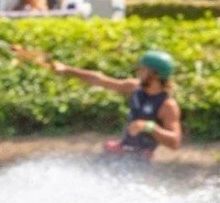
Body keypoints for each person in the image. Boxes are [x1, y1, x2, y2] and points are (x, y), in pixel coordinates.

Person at [16, 47, 183, 159]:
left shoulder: (167, 105)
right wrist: (67, 70)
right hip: (119, 151)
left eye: (143, 69)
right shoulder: (134, 87)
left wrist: (149, 127)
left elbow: (175, 141)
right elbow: (99, 79)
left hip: (138, 160)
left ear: (155, 75)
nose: (138, 71)